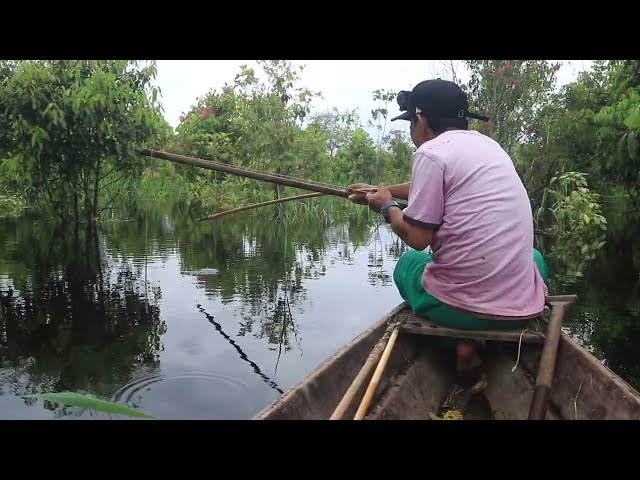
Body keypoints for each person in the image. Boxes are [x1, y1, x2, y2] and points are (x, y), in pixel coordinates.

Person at [347, 79, 549, 379]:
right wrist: (382, 190)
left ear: (422, 120)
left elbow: (417, 238)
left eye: (411, 123)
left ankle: (461, 340)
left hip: (461, 311)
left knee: (407, 264)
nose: (412, 131)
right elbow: (432, 187)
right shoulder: (488, 146)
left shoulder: (431, 153)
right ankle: (476, 340)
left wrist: (387, 207)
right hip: (521, 307)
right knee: (534, 257)